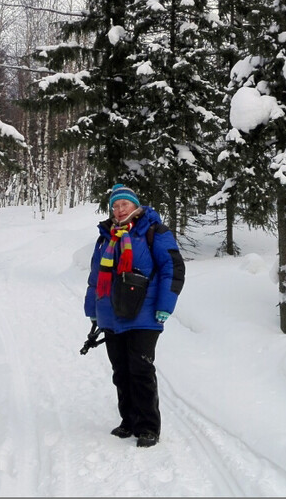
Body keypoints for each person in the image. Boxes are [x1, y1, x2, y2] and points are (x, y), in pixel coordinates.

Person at [84, 184, 185, 448]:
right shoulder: (106, 237)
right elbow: (95, 278)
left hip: (145, 313)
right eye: (114, 206)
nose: (118, 210)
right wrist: (92, 311)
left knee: (140, 369)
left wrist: (165, 305)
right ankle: (128, 421)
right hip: (111, 314)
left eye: (124, 205)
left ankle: (148, 427)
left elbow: (172, 269)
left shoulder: (153, 232)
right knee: (121, 371)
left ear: (135, 206)